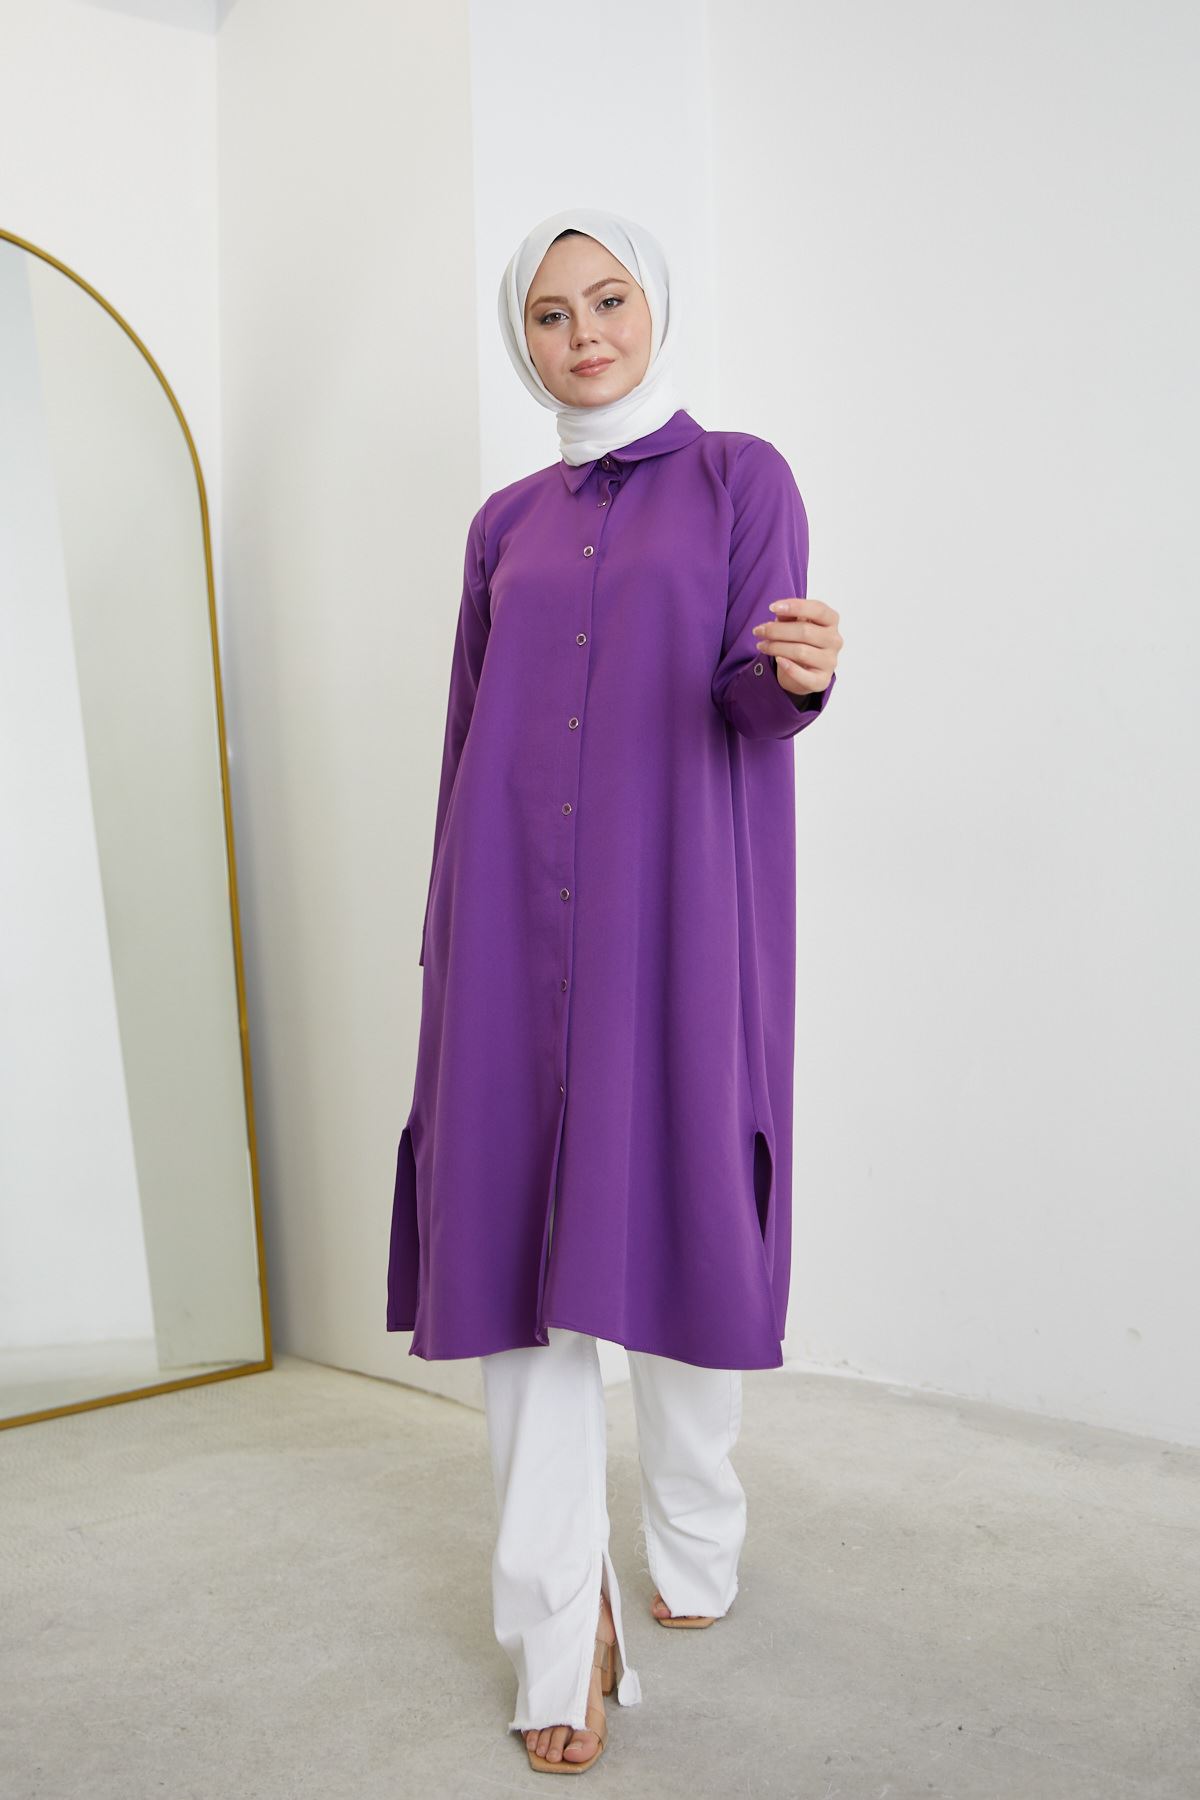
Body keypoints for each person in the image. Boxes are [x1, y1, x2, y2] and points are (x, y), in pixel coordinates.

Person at [387, 207, 842, 1772]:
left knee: (685, 1228)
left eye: (609, 300)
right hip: (508, 919)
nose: (583, 333)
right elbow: (466, 733)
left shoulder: (741, 479)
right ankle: (556, 1626)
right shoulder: (501, 520)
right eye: (550, 313)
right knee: (520, 1268)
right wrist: (448, 933)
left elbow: (746, 693)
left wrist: (796, 676)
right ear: (521, 337)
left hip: (674, 916)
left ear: (656, 308)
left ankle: (697, 1537)